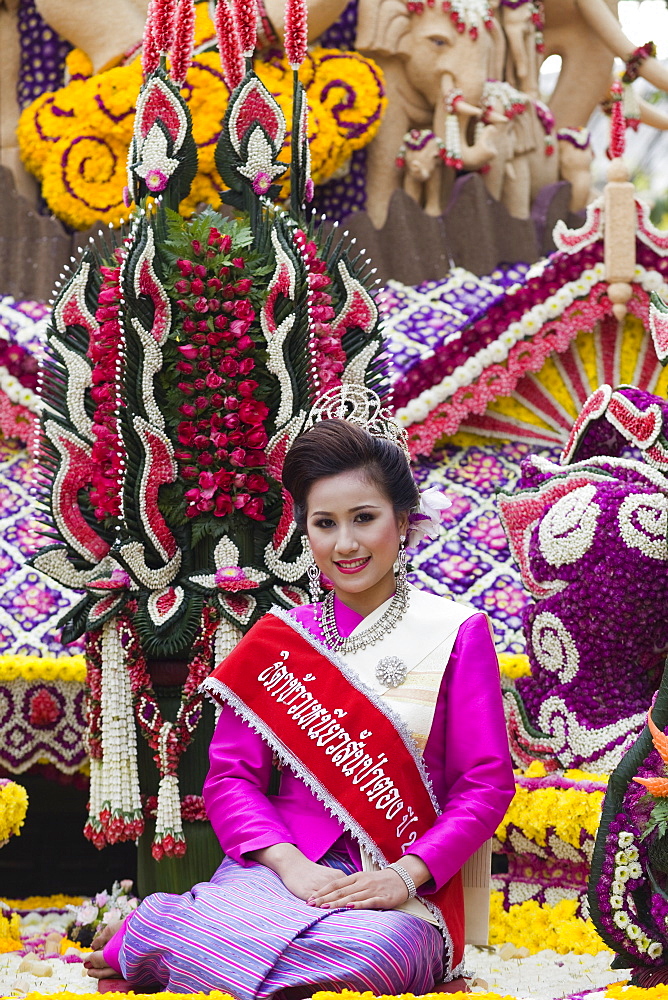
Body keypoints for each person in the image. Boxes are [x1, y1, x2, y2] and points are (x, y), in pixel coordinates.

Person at [86, 417, 515, 997]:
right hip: (284, 870)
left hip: (397, 888)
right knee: (291, 939)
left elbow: (484, 785)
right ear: (305, 532)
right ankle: (201, 936)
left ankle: (158, 932)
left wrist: (405, 876)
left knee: (376, 958)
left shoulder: (456, 633)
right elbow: (231, 779)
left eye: (364, 518)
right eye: (325, 523)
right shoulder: (277, 640)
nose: (346, 544)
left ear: (404, 519)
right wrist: (291, 866)